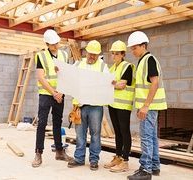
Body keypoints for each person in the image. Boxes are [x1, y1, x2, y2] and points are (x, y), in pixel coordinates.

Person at [126, 31, 167, 180]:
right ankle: (154, 166)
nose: (132, 50)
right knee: (152, 137)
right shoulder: (143, 61)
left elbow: (154, 83)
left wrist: (145, 106)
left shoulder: (149, 60)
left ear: (143, 45)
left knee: (146, 138)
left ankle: (145, 170)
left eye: (134, 47)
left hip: (149, 107)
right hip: (149, 106)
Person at [32, 29, 72, 168]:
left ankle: (59, 151)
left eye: (57, 43)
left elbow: (65, 75)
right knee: (42, 123)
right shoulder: (41, 56)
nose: (56, 46)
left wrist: (60, 92)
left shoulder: (64, 55)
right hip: (46, 94)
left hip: (59, 94)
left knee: (57, 122)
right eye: (53, 44)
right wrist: (54, 92)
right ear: (47, 44)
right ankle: (38, 153)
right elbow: (40, 77)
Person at [67, 40, 108, 171]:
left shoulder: (103, 67)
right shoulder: (78, 64)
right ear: (86, 53)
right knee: (80, 134)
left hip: (95, 106)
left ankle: (94, 160)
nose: (92, 57)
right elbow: (68, 77)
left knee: (95, 133)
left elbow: (108, 84)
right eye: (90, 54)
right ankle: (79, 158)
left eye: (95, 55)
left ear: (98, 55)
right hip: (80, 106)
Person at [104, 40, 135, 173]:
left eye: (117, 54)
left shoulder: (127, 67)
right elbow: (109, 84)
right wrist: (112, 83)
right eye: (113, 53)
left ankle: (125, 161)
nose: (114, 56)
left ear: (123, 54)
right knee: (117, 131)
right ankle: (118, 157)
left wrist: (112, 83)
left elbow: (122, 85)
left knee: (124, 131)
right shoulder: (112, 68)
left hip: (123, 105)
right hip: (113, 104)